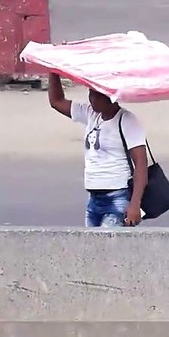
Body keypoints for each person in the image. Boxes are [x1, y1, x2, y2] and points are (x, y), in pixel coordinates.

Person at [45, 74, 149, 228]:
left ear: (110, 97)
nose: (91, 99)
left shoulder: (127, 121)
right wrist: (53, 72)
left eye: (96, 95)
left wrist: (134, 205)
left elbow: (141, 164)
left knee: (107, 248)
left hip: (117, 198)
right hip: (93, 199)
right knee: (93, 249)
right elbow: (56, 101)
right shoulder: (91, 114)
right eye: (90, 94)